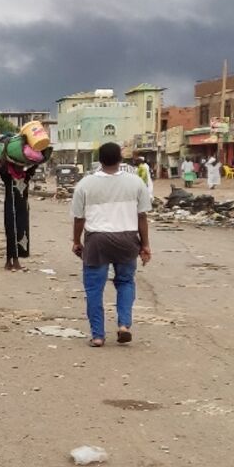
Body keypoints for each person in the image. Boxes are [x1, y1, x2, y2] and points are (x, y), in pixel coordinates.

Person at [71, 142, 152, 347]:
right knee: (125, 282)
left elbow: (79, 218)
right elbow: (141, 216)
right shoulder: (135, 183)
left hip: (97, 240)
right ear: (120, 159)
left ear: (99, 160)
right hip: (127, 239)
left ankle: (98, 336)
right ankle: (124, 325)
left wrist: (76, 241)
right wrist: (145, 245)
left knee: (94, 289)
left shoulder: (85, 184)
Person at [0, 164, 38, 271]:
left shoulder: (25, 176)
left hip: (22, 210)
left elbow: (33, 167)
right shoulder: (8, 176)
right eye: (17, 166)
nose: (19, 168)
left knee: (21, 233)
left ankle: (15, 259)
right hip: (10, 209)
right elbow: (0, 169)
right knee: (11, 233)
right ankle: (10, 260)